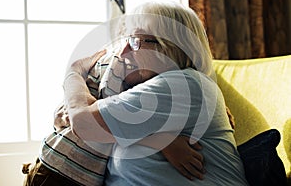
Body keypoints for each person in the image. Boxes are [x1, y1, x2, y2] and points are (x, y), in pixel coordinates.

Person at [63, 1, 249, 185]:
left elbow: (83, 122)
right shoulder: (149, 94)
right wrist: (159, 140)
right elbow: (67, 118)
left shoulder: (182, 85)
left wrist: (74, 73)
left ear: (167, 47)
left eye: (136, 42)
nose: (124, 51)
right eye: (127, 41)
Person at [22, 50, 206, 185]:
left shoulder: (163, 82)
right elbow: (106, 120)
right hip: (59, 170)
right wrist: (163, 141)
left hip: (84, 176)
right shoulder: (118, 65)